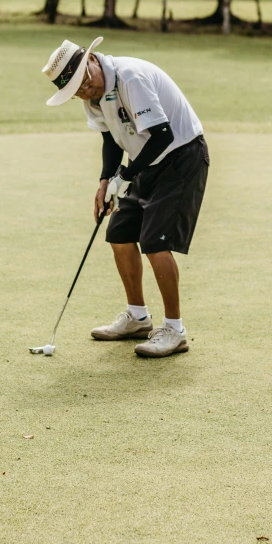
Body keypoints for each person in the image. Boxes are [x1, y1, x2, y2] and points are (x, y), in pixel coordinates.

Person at [42, 36, 209, 358]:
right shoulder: (90, 96)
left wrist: (126, 176)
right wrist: (106, 180)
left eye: (84, 84)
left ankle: (175, 330)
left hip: (181, 157)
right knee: (119, 233)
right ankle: (138, 318)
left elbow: (162, 135)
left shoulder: (130, 76)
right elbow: (110, 137)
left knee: (156, 241)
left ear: (91, 61)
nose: (83, 93)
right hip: (144, 160)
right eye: (76, 90)